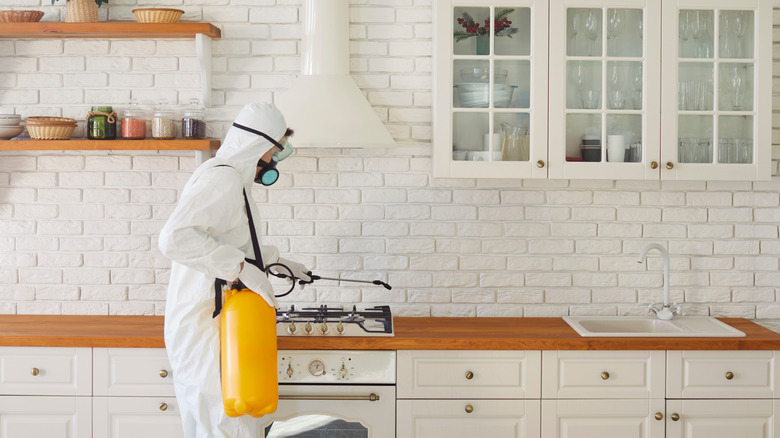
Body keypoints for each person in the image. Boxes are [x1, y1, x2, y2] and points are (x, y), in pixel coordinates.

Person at [158, 102, 311, 437]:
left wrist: (275, 263)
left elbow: (230, 242)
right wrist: (242, 268)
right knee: (225, 426)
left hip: (222, 325)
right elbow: (174, 238)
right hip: (206, 328)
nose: (270, 163)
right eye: (271, 153)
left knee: (226, 426)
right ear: (255, 146)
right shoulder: (223, 180)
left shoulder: (234, 182)